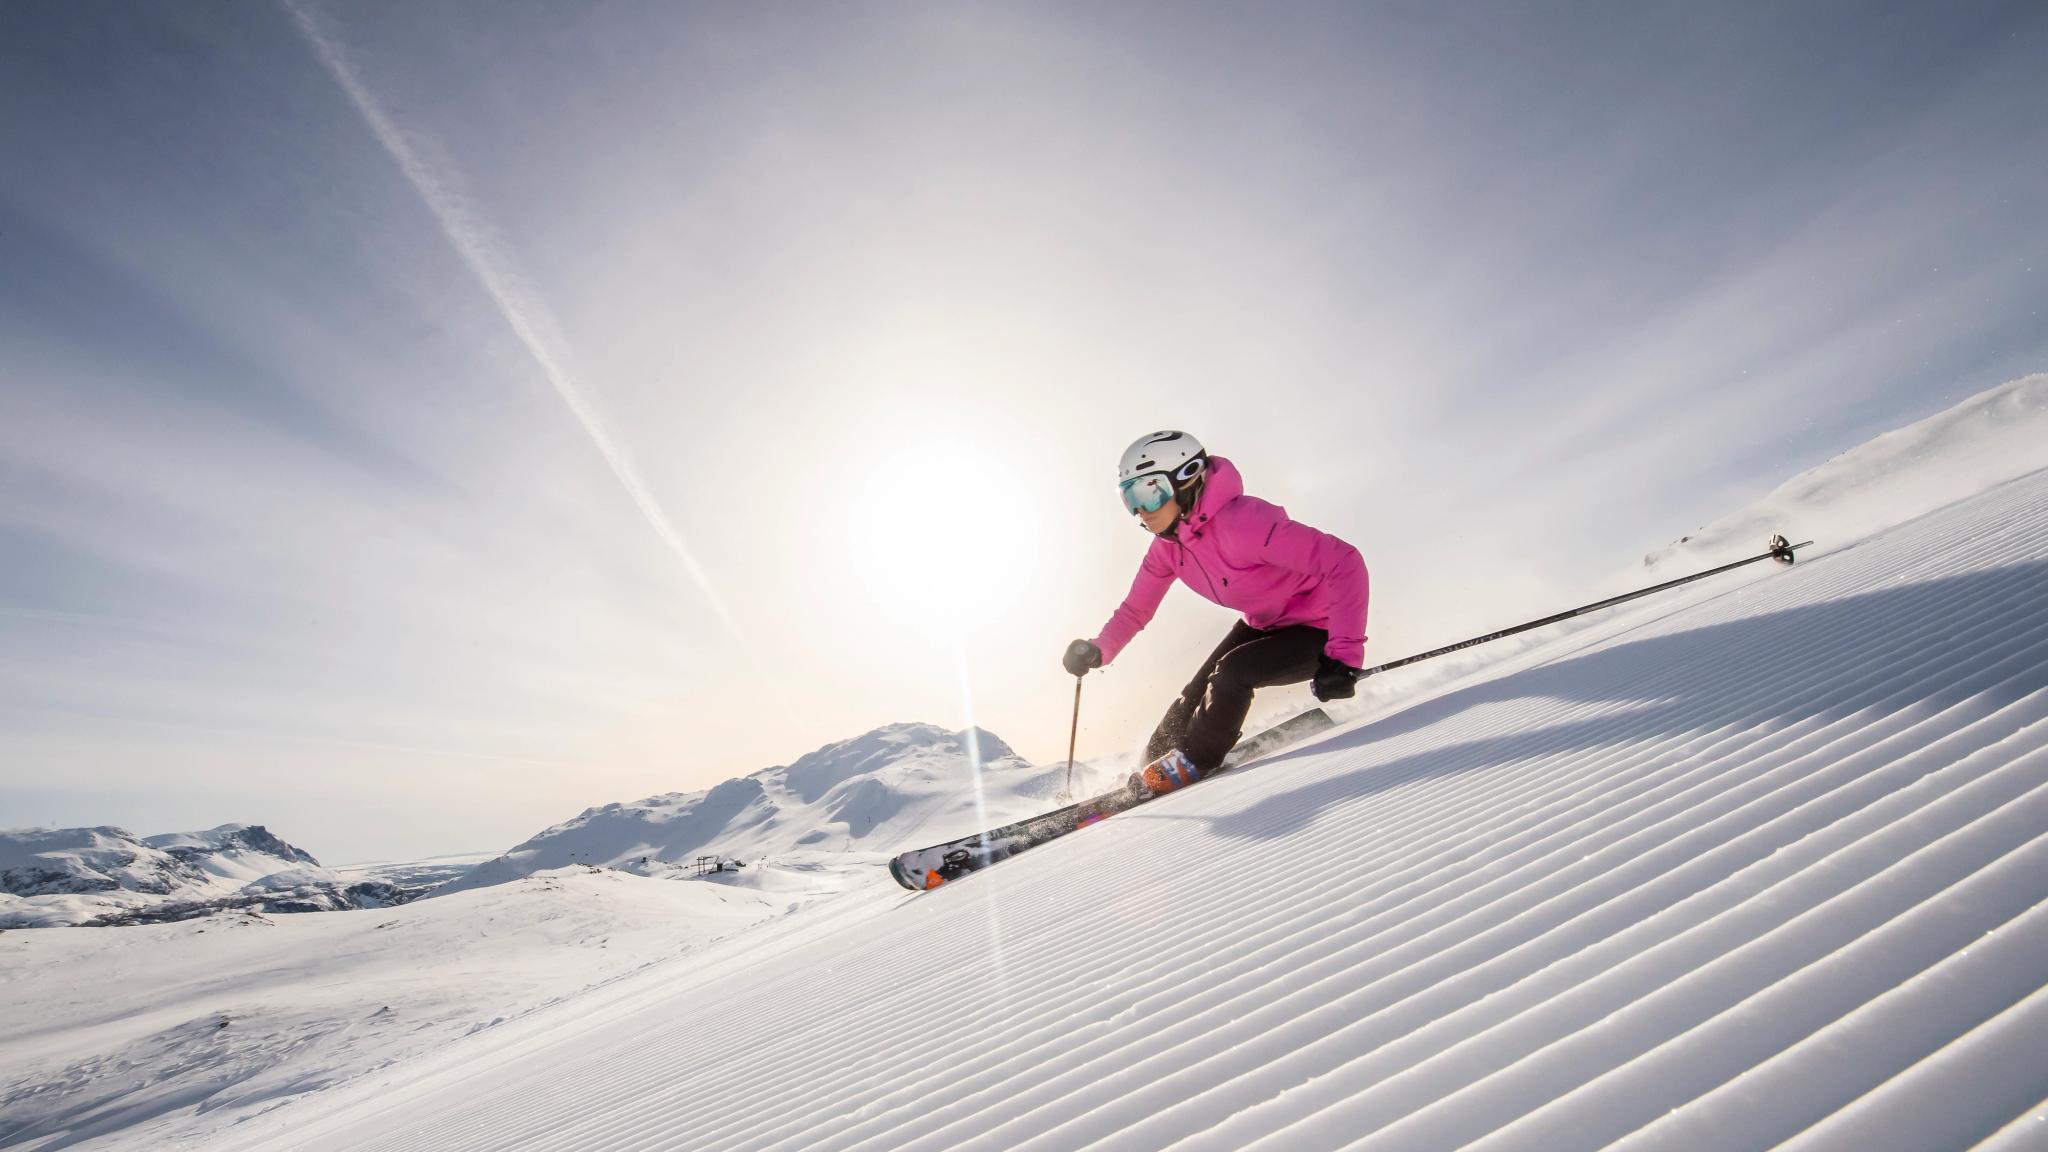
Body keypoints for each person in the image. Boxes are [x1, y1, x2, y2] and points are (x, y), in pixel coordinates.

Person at [1064, 431, 1370, 795]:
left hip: (1320, 629)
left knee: (1232, 674)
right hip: (1263, 623)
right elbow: (1134, 611)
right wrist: (1099, 649)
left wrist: (1344, 657)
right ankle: (1151, 765)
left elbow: (1344, 561)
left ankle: (1195, 762)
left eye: (1149, 493)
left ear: (1188, 478)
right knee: (1193, 693)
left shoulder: (1245, 524)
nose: (1141, 511)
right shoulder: (1168, 548)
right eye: (1129, 498)